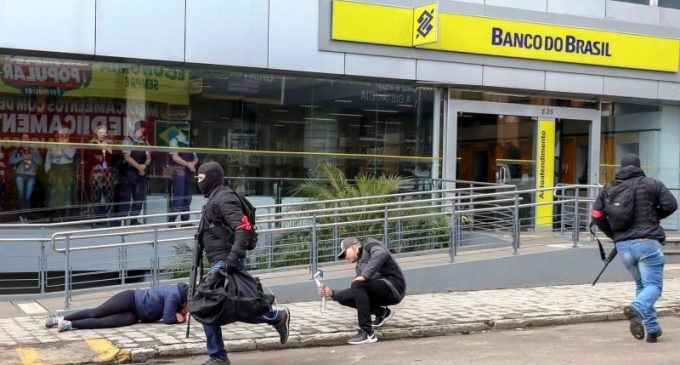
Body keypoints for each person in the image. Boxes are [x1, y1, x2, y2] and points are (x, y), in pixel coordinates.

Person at [195, 161, 289, 365]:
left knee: (207, 307)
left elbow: (242, 228)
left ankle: (218, 357)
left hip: (225, 262)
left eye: (201, 179)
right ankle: (275, 317)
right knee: (232, 308)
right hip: (218, 262)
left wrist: (232, 259)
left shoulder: (224, 198)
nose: (198, 183)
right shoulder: (215, 198)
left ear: (211, 178)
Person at [591, 154, 677, 343]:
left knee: (641, 286)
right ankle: (636, 307)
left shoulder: (608, 187)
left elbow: (596, 214)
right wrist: (654, 217)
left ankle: (653, 330)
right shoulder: (652, 183)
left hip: (623, 247)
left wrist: (613, 235)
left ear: (621, 167)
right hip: (647, 243)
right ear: (639, 166)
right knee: (654, 286)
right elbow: (672, 205)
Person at [318, 236, 406, 345]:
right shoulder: (359, 266)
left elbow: (381, 254)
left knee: (357, 284)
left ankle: (367, 333)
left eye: (345, 253)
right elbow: (358, 292)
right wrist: (332, 293)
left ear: (354, 248)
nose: (345, 257)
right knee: (344, 296)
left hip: (394, 286)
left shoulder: (370, 244)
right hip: (382, 290)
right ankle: (381, 312)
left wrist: (365, 276)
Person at [44, 283, 189, 332]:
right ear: (185, 301)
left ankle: (69, 325)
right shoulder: (174, 294)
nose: (189, 309)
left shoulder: (177, 297)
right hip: (131, 299)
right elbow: (169, 319)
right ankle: (60, 319)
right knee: (97, 312)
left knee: (106, 323)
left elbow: (168, 314)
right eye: (189, 306)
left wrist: (179, 313)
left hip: (136, 315)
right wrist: (180, 319)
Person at [119, 120, 151, 225]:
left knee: (139, 197)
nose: (144, 130)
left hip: (141, 174)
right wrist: (138, 167)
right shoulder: (127, 140)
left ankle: (134, 220)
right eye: (143, 128)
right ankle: (122, 221)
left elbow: (148, 158)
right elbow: (126, 157)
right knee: (126, 197)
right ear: (139, 128)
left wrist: (144, 166)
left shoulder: (145, 141)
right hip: (130, 173)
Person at [9, 134, 42, 222]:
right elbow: (11, 161)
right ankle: (22, 215)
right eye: (23, 138)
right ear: (21, 140)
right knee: (21, 196)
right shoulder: (17, 150)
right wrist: (22, 158)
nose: (25, 139)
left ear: (29, 139)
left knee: (27, 196)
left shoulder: (34, 151)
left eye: (27, 138)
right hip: (20, 175)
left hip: (31, 175)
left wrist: (32, 157)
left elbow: (39, 162)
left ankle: (26, 215)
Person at [167, 126, 197, 225]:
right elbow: (175, 157)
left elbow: (196, 157)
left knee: (187, 198)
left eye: (188, 130)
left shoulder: (189, 142)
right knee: (178, 197)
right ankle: (171, 222)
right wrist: (189, 164)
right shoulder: (174, 140)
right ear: (180, 130)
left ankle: (185, 221)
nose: (186, 131)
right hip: (178, 171)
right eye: (184, 129)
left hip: (188, 172)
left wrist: (193, 163)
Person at [45, 127, 76, 221]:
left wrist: (64, 146)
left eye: (63, 134)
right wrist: (48, 170)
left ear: (67, 135)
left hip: (66, 168)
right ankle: (51, 213)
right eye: (60, 134)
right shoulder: (52, 145)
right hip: (54, 168)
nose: (61, 136)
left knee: (65, 191)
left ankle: (63, 213)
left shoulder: (72, 145)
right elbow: (48, 159)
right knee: (53, 190)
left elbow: (70, 155)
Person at [86, 125, 117, 221]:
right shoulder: (92, 142)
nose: (102, 134)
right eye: (100, 132)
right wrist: (100, 146)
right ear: (96, 133)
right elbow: (88, 154)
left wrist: (107, 148)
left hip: (107, 172)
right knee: (96, 195)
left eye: (104, 133)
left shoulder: (109, 143)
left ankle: (107, 218)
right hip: (96, 172)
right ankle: (95, 218)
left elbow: (114, 153)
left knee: (109, 194)